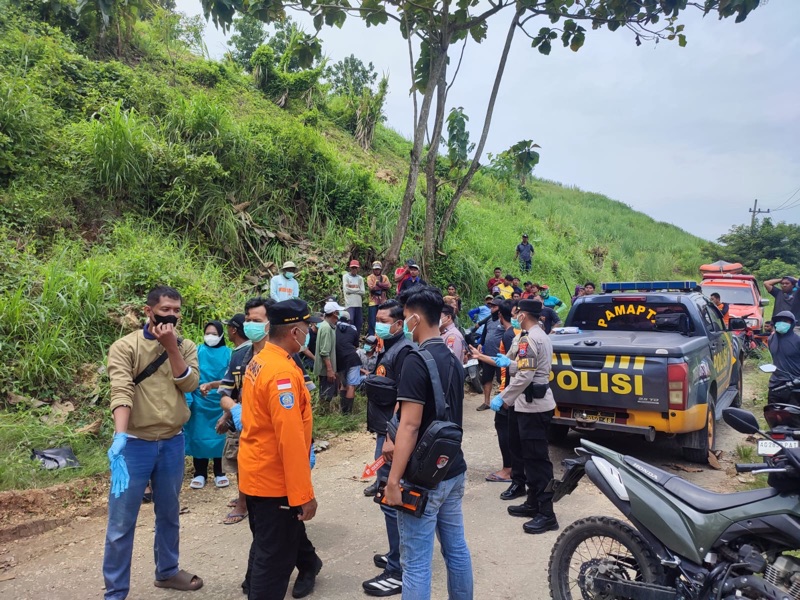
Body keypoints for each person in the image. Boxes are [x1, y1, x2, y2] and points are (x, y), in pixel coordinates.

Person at [103, 285, 202, 599]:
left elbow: (190, 384)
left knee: (169, 513)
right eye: (165, 310)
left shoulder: (186, 347)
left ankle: (168, 571)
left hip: (172, 441)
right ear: (149, 311)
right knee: (121, 523)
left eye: (176, 311)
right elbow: (121, 390)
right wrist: (120, 436)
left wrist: (172, 348)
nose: (171, 316)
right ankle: (116, 591)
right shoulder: (125, 347)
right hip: (135, 445)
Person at [383, 285, 472, 599]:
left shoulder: (416, 360)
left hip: (423, 478)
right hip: (452, 468)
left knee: (416, 564)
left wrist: (393, 481)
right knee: (456, 549)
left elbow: (410, 426)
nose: (405, 323)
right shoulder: (453, 356)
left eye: (406, 316)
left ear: (416, 319)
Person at [234, 299, 323, 600]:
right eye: (308, 328)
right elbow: (290, 439)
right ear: (295, 332)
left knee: (267, 542)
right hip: (274, 482)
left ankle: (308, 565)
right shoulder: (281, 373)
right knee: (274, 562)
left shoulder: (261, 360)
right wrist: (303, 495)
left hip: (257, 473)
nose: (310, 333)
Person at [490, 299, 558, 535]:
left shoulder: (529, 338)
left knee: (538, 461)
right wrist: (509, 363)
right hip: (530, 406)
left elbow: (525, 376)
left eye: (518, 312)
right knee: (528, 458)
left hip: (534, 407)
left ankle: (547, 514)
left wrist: (503, 397)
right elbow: (524, 366)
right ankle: (533, 502)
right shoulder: (537, 335)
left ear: (524, 315)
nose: (516, 315)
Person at [361, 300, 415, 596]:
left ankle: (398, 568)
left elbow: (405, 399)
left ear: (399, 323)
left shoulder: (403, 351)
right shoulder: (388, 347)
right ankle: (397, 554)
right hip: (385, 433)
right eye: (377, 320)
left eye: (384, 321)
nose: (378, 325)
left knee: (391, 501)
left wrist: (392, 438)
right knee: (387, 501)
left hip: (391, 436)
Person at [217, 299, 273, 527]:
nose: (250, 325)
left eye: (256, 320)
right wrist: (233, 410)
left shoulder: (285, 355)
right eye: (248, 320)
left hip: (273, 426)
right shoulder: (239, 356)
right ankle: (243, 503)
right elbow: (224, 394)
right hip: (244, 424)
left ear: (270, 323)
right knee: (243, 463)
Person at [469, 300, 518, 486]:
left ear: (500, 316)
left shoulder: (510, 335)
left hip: (510, 391)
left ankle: (508, 470)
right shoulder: (515, 333)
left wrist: (505, 394)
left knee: (504, 427)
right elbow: (503, 361)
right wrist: (481, 356)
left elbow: (512, 366)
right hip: (512, 390)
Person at [185, 321, 231, 490]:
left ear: (221, 335)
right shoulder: (197, 351)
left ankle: (220, 472)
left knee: (220, 436)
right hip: (199, 399)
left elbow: (231, 379)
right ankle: (200, 473)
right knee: (199, 436)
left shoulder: (229, 353)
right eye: (207, 333)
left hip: (220, 400)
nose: (210, 337)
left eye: (214, 334)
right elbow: (189, 373)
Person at [476, 297, 505, 411]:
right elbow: (484, 333)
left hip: (500, 356)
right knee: (486, 379)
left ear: (500, 308)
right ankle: (486, 402)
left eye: (494, 306)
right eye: (491, 306)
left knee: (502, 380)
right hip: (487, 355)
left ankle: (503, 403)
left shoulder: (504, 320)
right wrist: (480, 343)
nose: (491, 309)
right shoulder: (489, 320)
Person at [767, 311, 800, 405]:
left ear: (792, 324)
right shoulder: (771, 339)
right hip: (775, 383)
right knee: (772, 411)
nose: (782, 323)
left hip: (795, 384)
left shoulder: (798, 341)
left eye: (786, 321)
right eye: (779, 320)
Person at [313, 301, 342, 403]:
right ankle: (324, 411)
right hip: (325, 370)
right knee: (326, 396)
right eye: (338, 312)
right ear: (334, 313)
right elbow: (324, 352)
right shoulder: (326, 328)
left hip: (328, 369)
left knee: (328, 394)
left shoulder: (328, 326)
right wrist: (329, 370)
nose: (339, 314)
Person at [335, 311, 361, 414]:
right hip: (353, 359)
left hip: (339, 360)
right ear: (349, 320)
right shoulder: (353, 330)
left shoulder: (333, 329)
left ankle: (342, 411)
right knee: (351, 385)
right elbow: (356, 345)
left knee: (343, 384)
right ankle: (348, 413)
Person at [367, 261, 391, 336]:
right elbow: (371, 288)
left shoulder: (384, 277)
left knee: (382, 319)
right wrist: (382, 286)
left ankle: (382, 336)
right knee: (372, 321)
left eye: (378, 269)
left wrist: (378, 284)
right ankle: (371, 337)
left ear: (380, 269)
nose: (377, 271)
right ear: (373, 269)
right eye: (375, 269)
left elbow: (388, 286)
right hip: (373, 302)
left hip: (383, 302)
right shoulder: (370, 277)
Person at [343, 260, 366, 333]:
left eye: (355, 268)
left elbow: (363, 292)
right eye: (353, 268)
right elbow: (347, 290)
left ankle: (356, 338)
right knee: (350, 321)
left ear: (358, 268)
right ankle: (349, 337)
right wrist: (357, 289)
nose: (354, 269)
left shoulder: (360, 278)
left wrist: (352, 290)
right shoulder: (346, 277)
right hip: (349, 304)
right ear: (350, 268)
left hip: (358, 304)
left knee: (359, 322)